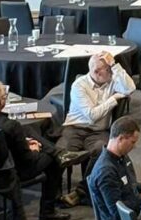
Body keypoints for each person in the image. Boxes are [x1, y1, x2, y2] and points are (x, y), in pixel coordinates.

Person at [0, 82, 70, 220]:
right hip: (12, 171)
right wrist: (34, 148)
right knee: (53, 161)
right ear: (2, 101)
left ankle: (57, 152)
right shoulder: (11, 125)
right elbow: (27, 159)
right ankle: (48, 211)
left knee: (27, 130)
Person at [56, 51, 135, 185]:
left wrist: (114, 65)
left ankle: (85, 188)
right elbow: (92, 116)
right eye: (108, 69)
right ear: (97, 72)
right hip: (74, 128)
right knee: (60, 153)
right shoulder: (79, 85)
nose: (112, 73)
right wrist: (113, 99)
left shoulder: (111, 81)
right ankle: (53, 192)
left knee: (102, 151)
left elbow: (130, 88)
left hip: (98, 132)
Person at [88, 116, 141, 220]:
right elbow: (117, 211)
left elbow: (128, 187)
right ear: (120, 138)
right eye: (132, 142)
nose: (134, 146)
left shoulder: (121, 157)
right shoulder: (106, 171)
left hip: (133, 217)